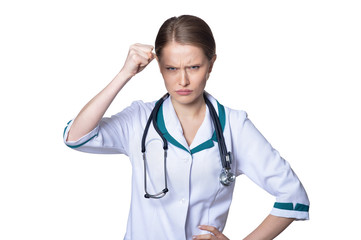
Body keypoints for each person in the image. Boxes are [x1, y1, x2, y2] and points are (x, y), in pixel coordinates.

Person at [63, 15, 309, 240]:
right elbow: (76, 137)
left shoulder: (235, 126)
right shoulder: (139, 119)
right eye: (171, 68)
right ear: (159, 66)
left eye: (194, 67)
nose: (182, 80)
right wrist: (125, 73)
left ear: (211, 64)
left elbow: (293, 196)